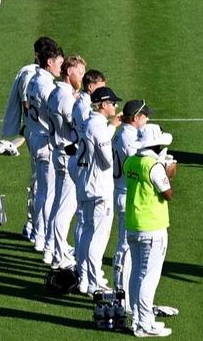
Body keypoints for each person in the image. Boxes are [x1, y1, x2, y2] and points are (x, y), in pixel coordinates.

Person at [2, 36, 61, 241]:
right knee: (40, 184)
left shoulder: (31, 73)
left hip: (33, 132)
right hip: (38, 134)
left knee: (40, 183)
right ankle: (34, 227)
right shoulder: (32, 77)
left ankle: (35, 227)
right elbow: (29, 106)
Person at [126, 124, 176, 337]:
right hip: (152, 227)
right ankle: (145, 323)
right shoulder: (153, 166)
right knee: (149, 277)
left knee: (137, 273)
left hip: (133, 224)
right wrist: (169, 173)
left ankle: (139, 319)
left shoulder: (132, 161)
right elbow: (168, 194)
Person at [76, 86, 122, 294]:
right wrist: (112, 129)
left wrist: (111, 127)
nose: (115, 106)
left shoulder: (90, 121)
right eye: (112, 103)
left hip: (86, 184)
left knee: (87, 233)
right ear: (103, 105)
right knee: (98, 237)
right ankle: (95, 283)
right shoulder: (98, 125)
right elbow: (106, 159)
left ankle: (85, 277)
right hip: (99, 188)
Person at [47, 55, 86, 269]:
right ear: (69, 71)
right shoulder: (66, 98)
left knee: (58, 204)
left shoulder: (56, 92)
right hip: (66, 153)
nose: (81, 77)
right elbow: (77, 125)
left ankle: (55, 247)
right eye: (79, 72)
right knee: (66, 207)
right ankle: (60, 254)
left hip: (59, 150)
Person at [26, 42, 65, 258]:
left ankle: (40, 235)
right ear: (49, 62)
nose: (61, 67)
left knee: (42, 191)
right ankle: (45, 238)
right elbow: (55, 113)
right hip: (45, 142)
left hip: (34, 137)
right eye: (59, 62)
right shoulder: (47, 86)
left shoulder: (34, 79)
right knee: (48, 194)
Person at [71, 69, 107, 292]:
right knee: (92, 230)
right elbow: (99, 143)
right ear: (92, 87)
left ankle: (84, 275)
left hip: (80, 163)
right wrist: (111, 126)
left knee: (84, 224)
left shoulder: (79, 104)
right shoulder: (88, 111)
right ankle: (91, 278)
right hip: (89, 170)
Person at [113, 100, 153, 293]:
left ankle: (122, 289)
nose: (147, 119)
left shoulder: (123, 133)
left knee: (126, 245)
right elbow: (133, 166)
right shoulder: (128, 139)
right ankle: (121, 290)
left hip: (121, 191)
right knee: (125, 246)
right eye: (145, 116)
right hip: (125, 194)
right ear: (136, 117)